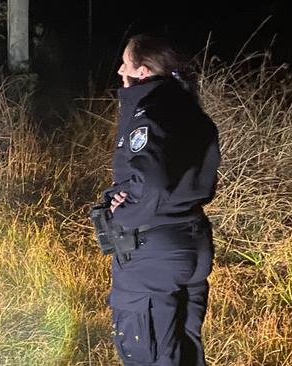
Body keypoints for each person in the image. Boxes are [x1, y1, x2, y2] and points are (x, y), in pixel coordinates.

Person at [101, 34, 220, 365]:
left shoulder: (150, 113)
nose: (120, 70)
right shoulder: (194, 112)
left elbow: (150, 183)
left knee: (148, 353)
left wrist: (122, 215)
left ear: (141, 71)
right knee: (186, 350)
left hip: (153, 253)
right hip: (193, 242)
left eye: (125, 62)